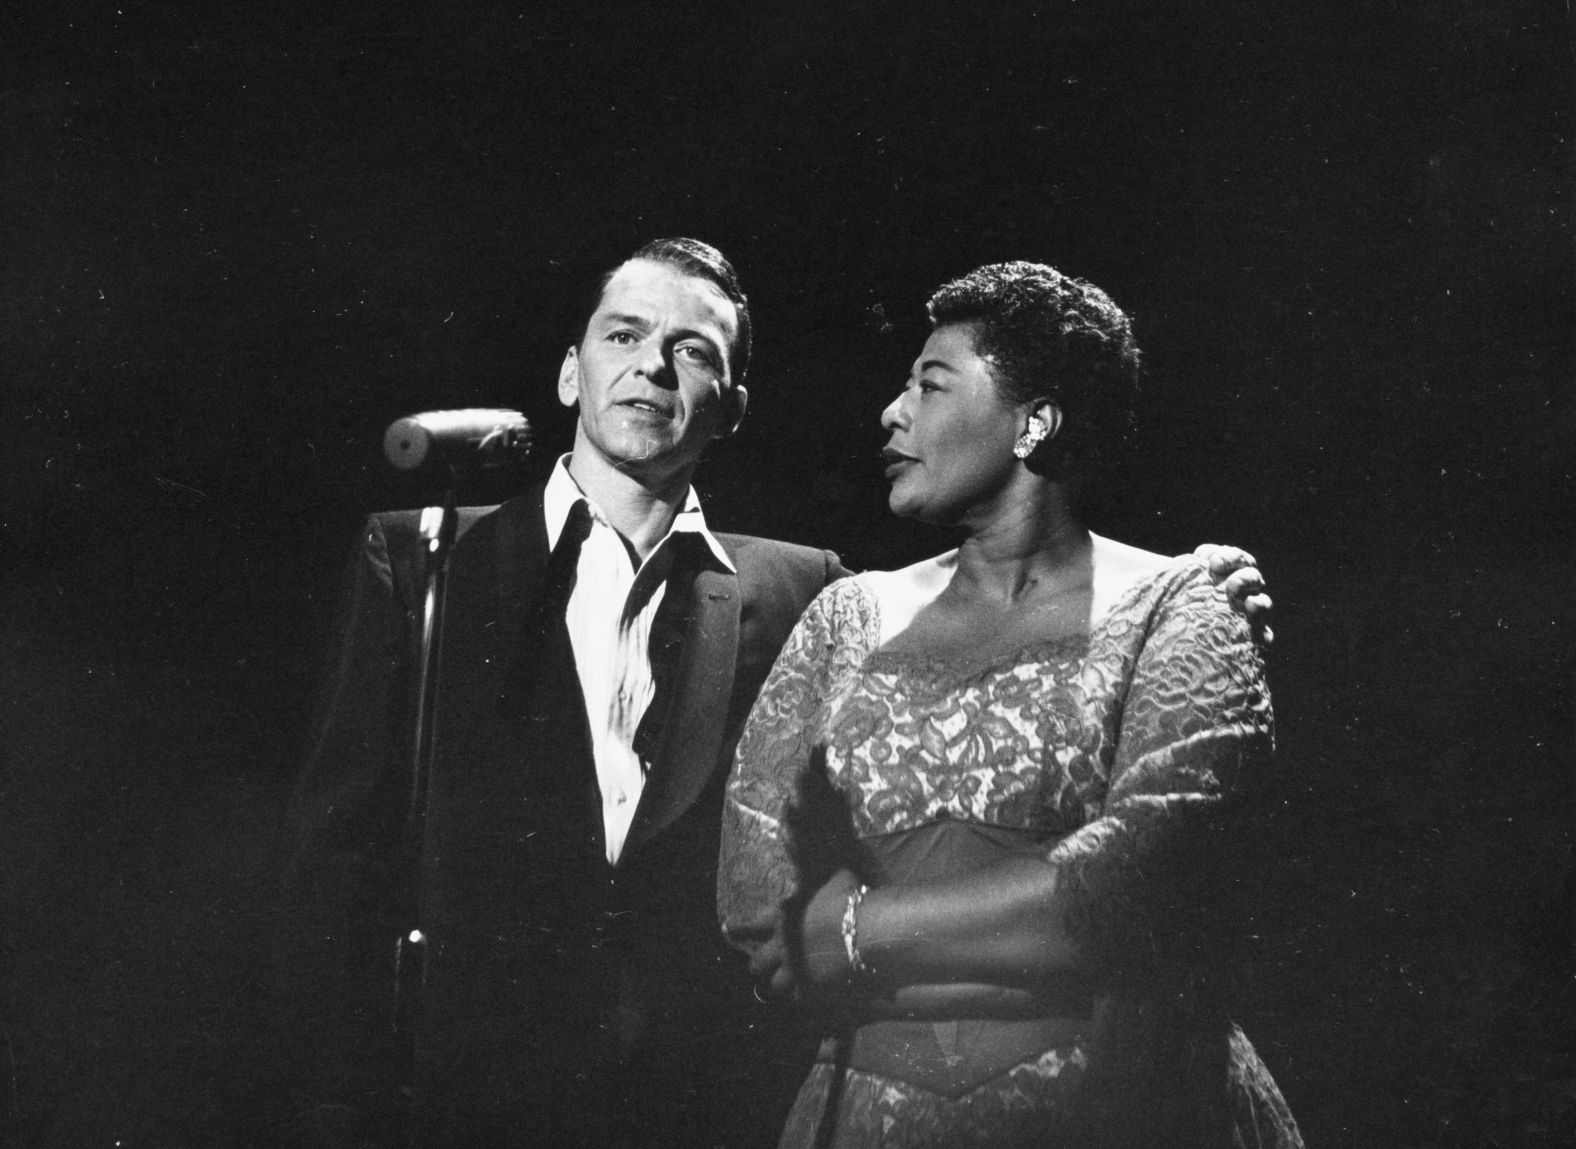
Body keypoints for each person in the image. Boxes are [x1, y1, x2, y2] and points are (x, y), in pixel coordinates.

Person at [274, 239, 1272, 1148]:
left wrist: (1198, 591)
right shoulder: (427, 558)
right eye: (623, 335)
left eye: (692, 350)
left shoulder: (808, 588)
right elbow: (338, 855)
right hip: (461, 1103)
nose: (652, 367)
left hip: (702, 1106)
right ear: (571, 370)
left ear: (734, 403)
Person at [718, 261, 1304, 1147]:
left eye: (930, 382)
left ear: (1035, 422)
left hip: (1120, 1115)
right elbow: (762, 912)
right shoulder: (846, 615)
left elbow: (1142, 884)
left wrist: (856, 933)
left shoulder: (1183, 605)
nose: (893, 410)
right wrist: (1047, 960)